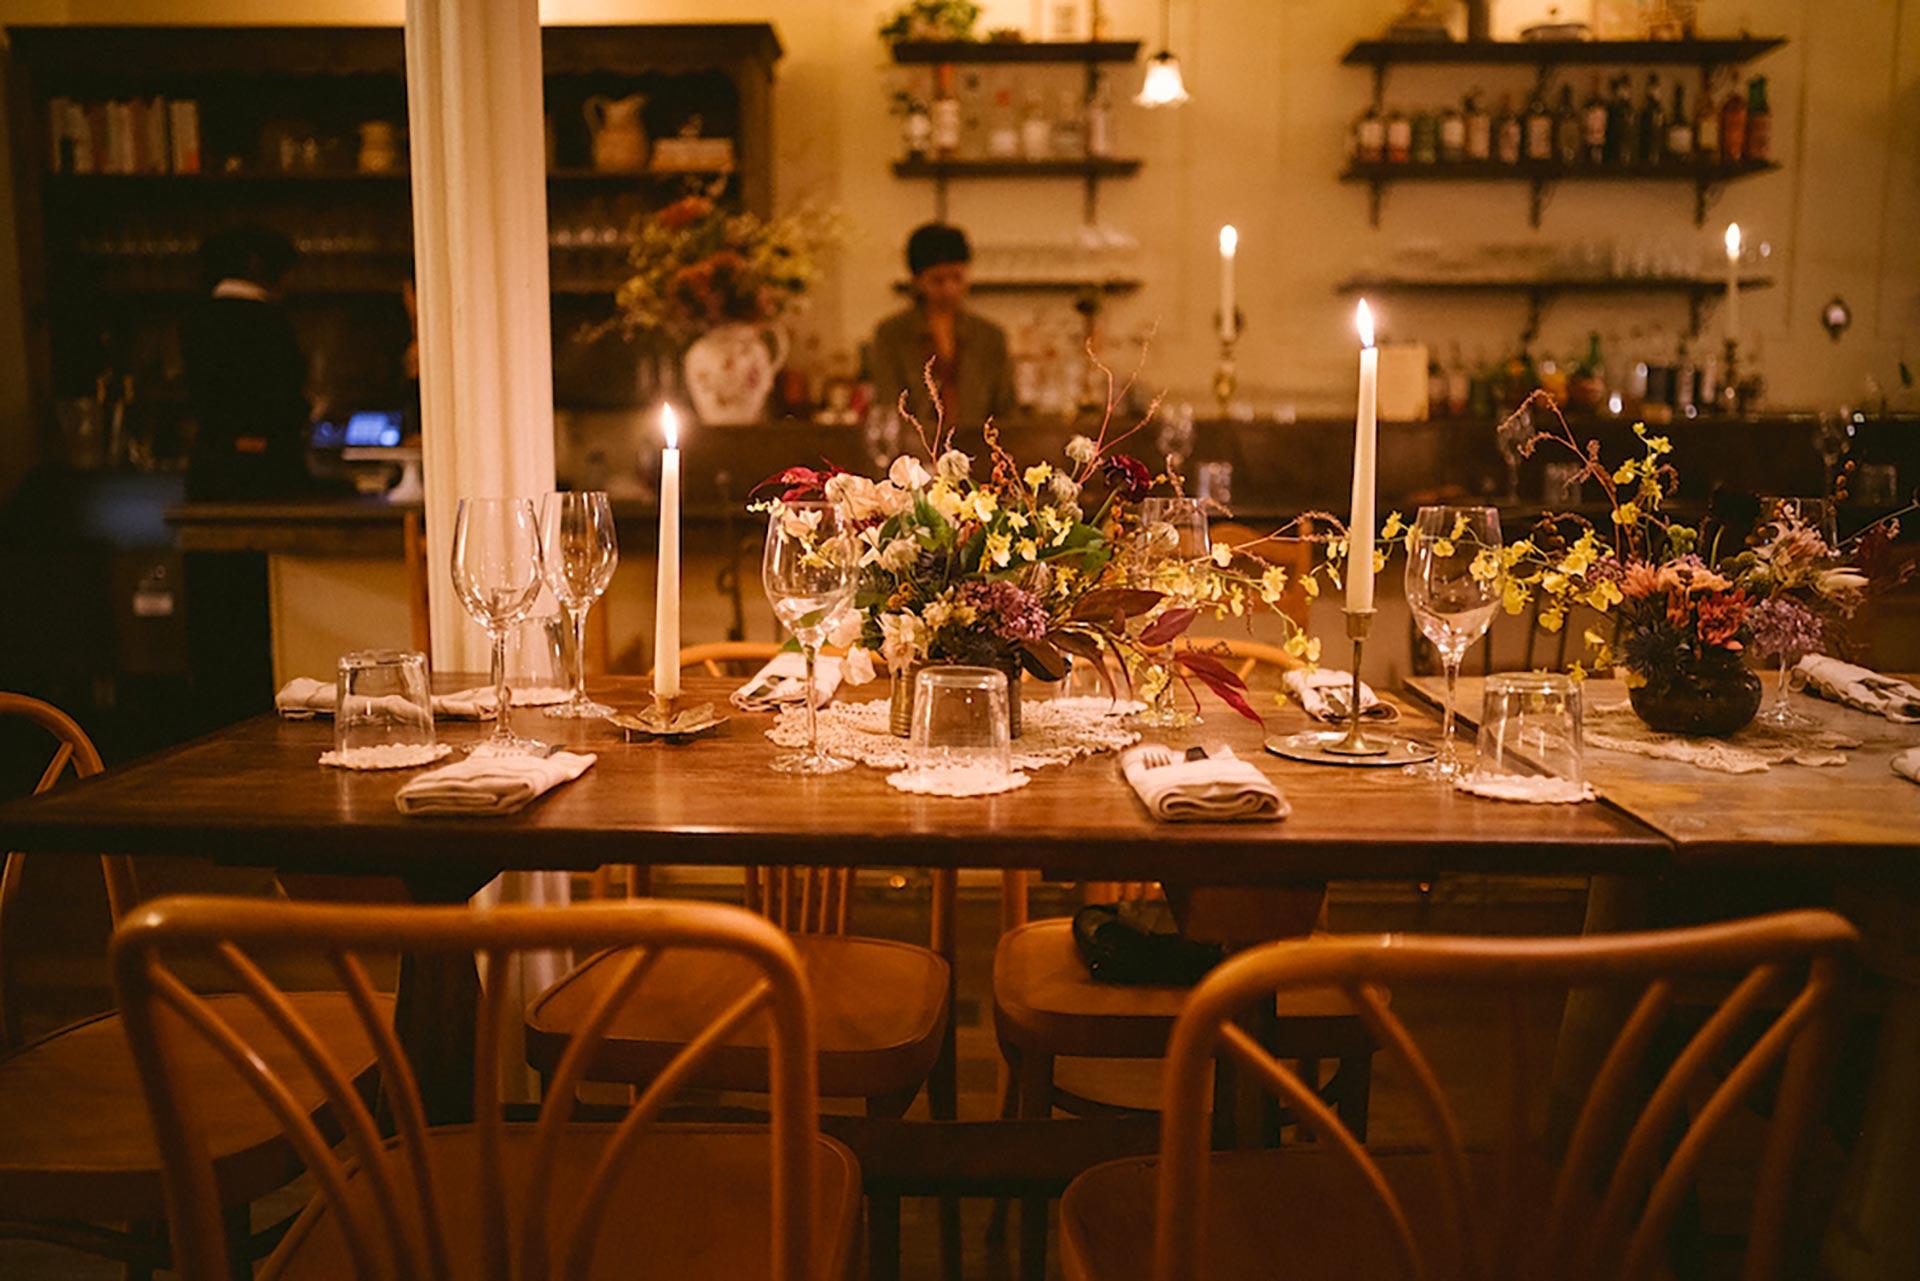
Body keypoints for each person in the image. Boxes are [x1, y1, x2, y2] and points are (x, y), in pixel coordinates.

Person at [178, 227, 314, 731]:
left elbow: (198, 398)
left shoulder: (196, 318)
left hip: (211, 474)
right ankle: (258, 710)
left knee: (215, 608)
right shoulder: (266, 320)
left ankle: (216, 716)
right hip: (267, 478)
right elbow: (286, 401)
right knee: (260, 607)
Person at [180, 226, 315, 501]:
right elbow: (284, 394)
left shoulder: (197, 318)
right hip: (267, 470)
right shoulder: (269, 320)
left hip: (210, 467)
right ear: (261, 268)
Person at [869, 222, 1016, 432]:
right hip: (915, 454)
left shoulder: (990, 336)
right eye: (938, 280)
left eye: (957, 278)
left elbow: (1007, 409)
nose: (949, 289)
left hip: (978, 450)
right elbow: (887, 405)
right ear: (917, 281)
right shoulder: (891, 334)